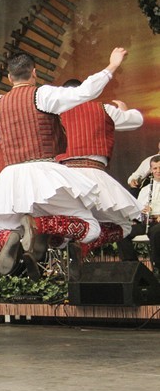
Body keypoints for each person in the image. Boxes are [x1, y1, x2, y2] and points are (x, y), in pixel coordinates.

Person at [0, 48, 127, 277]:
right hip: (44, 174)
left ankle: (19, 236)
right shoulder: (41, 95)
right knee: (90, 227)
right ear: (34, 73)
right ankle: (41, 228)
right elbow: (84, 92)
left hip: (11, 178)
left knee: (0, 234)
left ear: (9, 78)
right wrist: (112, 66)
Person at [56, 80, 143, 261]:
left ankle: (46, 235)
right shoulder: (103, 109)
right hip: (93, 175)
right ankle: (84, 244)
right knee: (124, 225)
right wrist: (125, 111)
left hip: (63, 178)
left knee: (66, 221)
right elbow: (136, 120)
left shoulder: (55, 114)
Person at [117, 156, 160, 269]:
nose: (158, 171)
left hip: (158, 224)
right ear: (151, 170)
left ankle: (157, 268)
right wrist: (142, 211)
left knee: (156, 232)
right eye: (155, 168)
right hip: (148, 222)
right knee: (122, 232)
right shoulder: (146, 189)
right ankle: (134, 268)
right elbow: (137, 211)